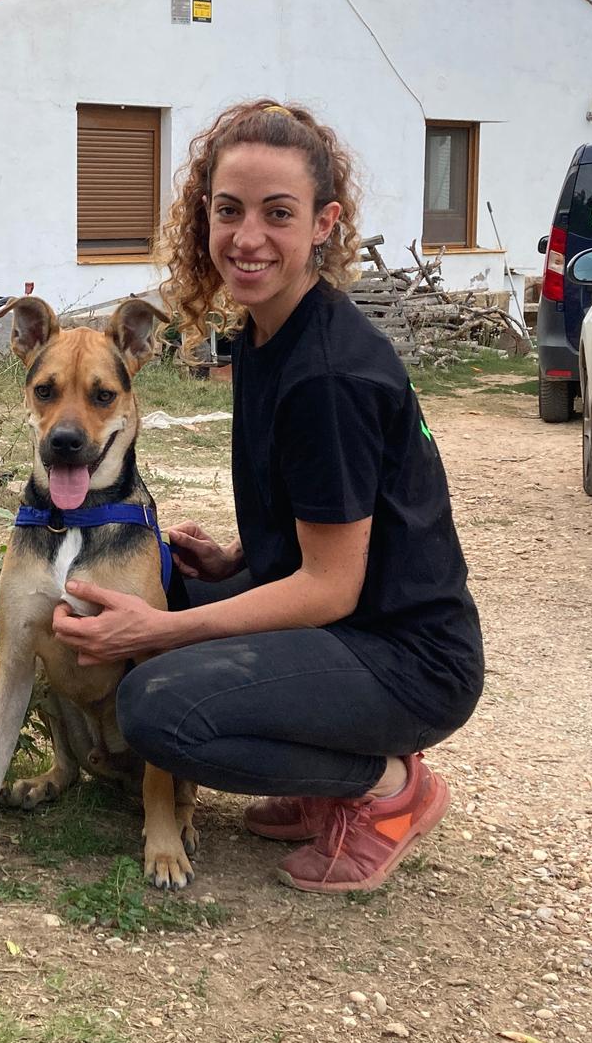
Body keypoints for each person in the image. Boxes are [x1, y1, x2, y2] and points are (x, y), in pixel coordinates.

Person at [50, 99, 483, 893]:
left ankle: (385, 789)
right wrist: (239, 555)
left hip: (408, 658)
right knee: (188, 594)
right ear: (202, 218)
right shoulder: (267, 332)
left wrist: (167, 626)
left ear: (324, 223)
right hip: (356, 617)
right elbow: (346, 509)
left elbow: (331, 582)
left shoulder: (328, 374)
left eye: (277, 214)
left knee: (156, 705)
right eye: (228, 210)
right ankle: (327, 775)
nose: (247, 238)